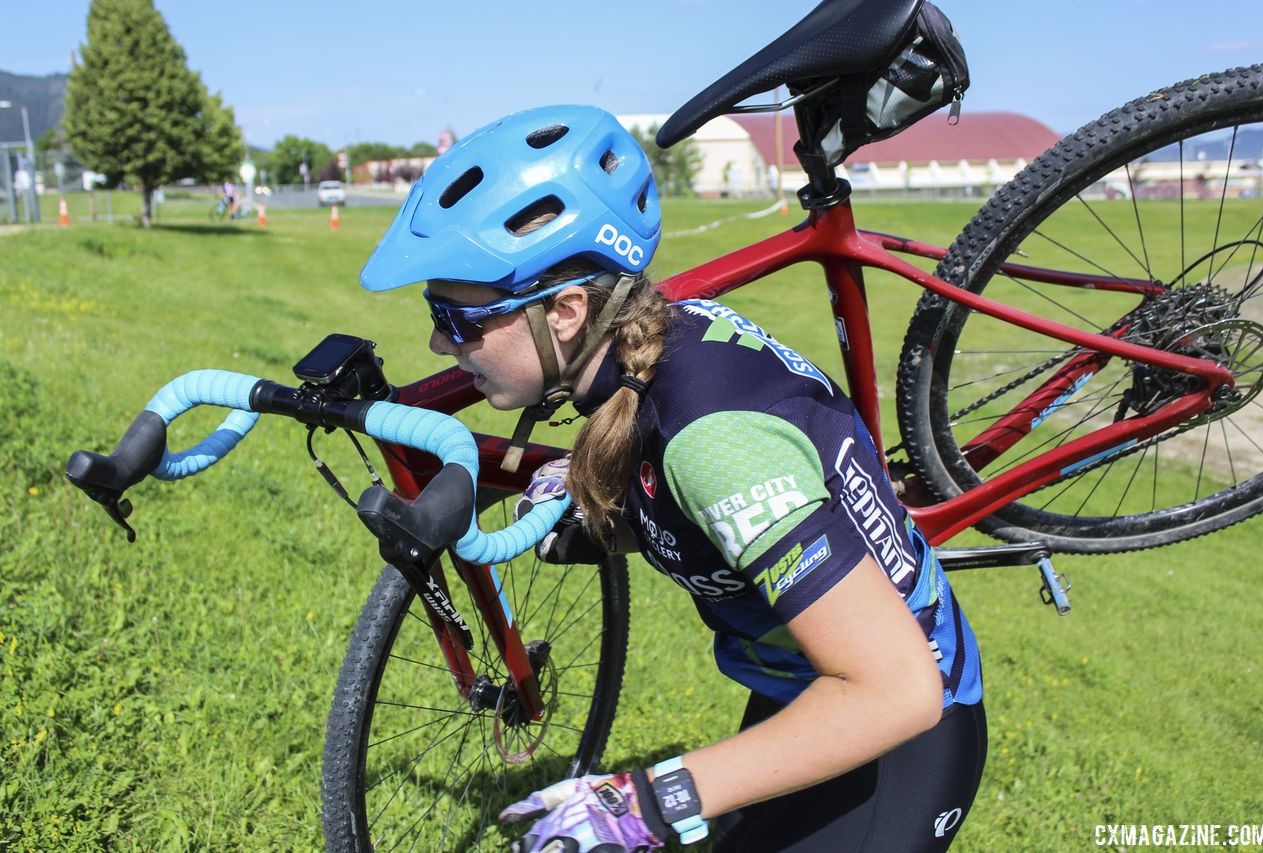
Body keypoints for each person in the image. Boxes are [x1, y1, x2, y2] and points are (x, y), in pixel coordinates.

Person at [360, 105, 986, 852]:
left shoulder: (712, 439)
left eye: (457, 319)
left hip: (892, 730)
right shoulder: (656, 351)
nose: (439, 341)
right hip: (808, 689)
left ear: (564, 312)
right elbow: (704, 522)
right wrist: (609, 518)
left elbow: (896, 689)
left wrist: (644, 804)